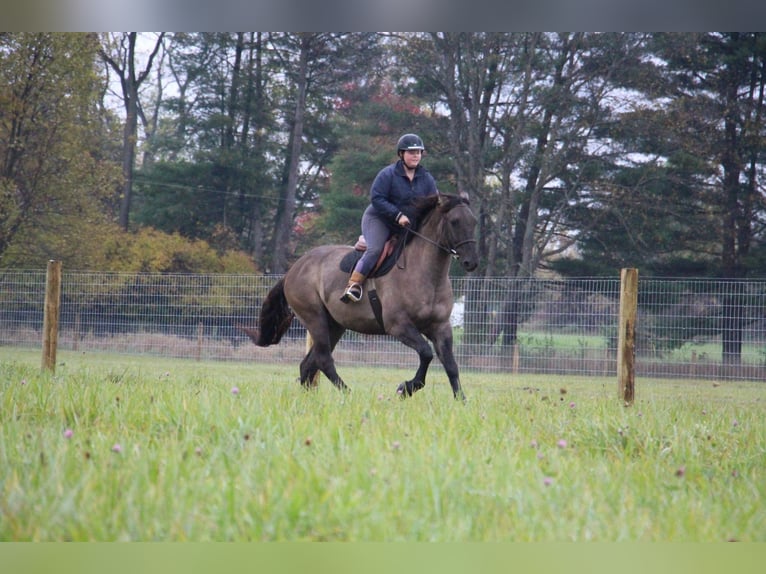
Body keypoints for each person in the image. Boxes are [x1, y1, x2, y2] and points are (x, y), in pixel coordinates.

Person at [341, 133, 439, 303]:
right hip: (380, 219)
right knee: (375, 250)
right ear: (401, 154)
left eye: (418, 152)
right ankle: (354, 284)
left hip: (407, 225)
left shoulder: (427, 178)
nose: (416, 155)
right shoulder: (388, 174)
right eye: (411, 152)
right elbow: (377, 198)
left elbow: (433, 203)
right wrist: (397, 215)